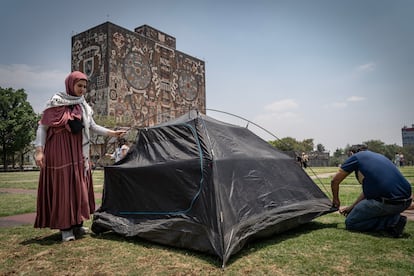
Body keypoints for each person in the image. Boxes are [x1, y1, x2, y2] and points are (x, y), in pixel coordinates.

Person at [34, 71, 126, 242]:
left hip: (78, 151)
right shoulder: (55, 103)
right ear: (70, 84)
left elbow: (93, 126)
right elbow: (42, 128)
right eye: (79, 86)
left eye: (85, 86)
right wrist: (39, 151)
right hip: (59, 151)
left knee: (77, 185)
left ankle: (76, 223)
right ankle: (65, 228)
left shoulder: (83, 106)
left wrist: (113, 133)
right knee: (64, 187)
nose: (82, 89)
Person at [331, 144, 412, 238]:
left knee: (351, 223)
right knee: (365, 211)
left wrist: (336, 200)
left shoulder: (356, 157)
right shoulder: (379, 156)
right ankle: (393, 218)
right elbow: (366, 192)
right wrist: (351, 208)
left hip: (387, 202)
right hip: (405, 202)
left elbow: (335, 181)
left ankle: (393, 221)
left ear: (352, 153)